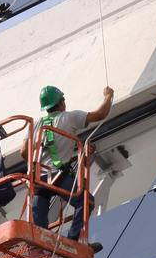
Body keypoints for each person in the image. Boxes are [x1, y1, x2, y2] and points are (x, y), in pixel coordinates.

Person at [27, 84, 112, 240]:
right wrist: (108, 96)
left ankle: (40, 245)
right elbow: (100, 114)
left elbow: (23, 152)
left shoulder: (38, 124)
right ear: (61, 102)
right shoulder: (69, 117)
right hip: (57, 176)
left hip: (40, 177)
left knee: (39, 216)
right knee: (86, 201)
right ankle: (73, 240)